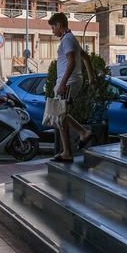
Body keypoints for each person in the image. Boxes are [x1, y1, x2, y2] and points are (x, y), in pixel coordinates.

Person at [49, 12, 93, 163]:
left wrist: (62, 84)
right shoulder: (71, 38)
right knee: (60, 115)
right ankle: (68, 149)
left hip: (68, 82)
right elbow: (86, 58)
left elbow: (72, 62)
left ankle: (81, 136)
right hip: (72, 81)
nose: (52, 31)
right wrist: (91, 78)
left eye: (53, 27)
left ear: (59, 25)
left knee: (60, 114)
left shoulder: (67, 40)